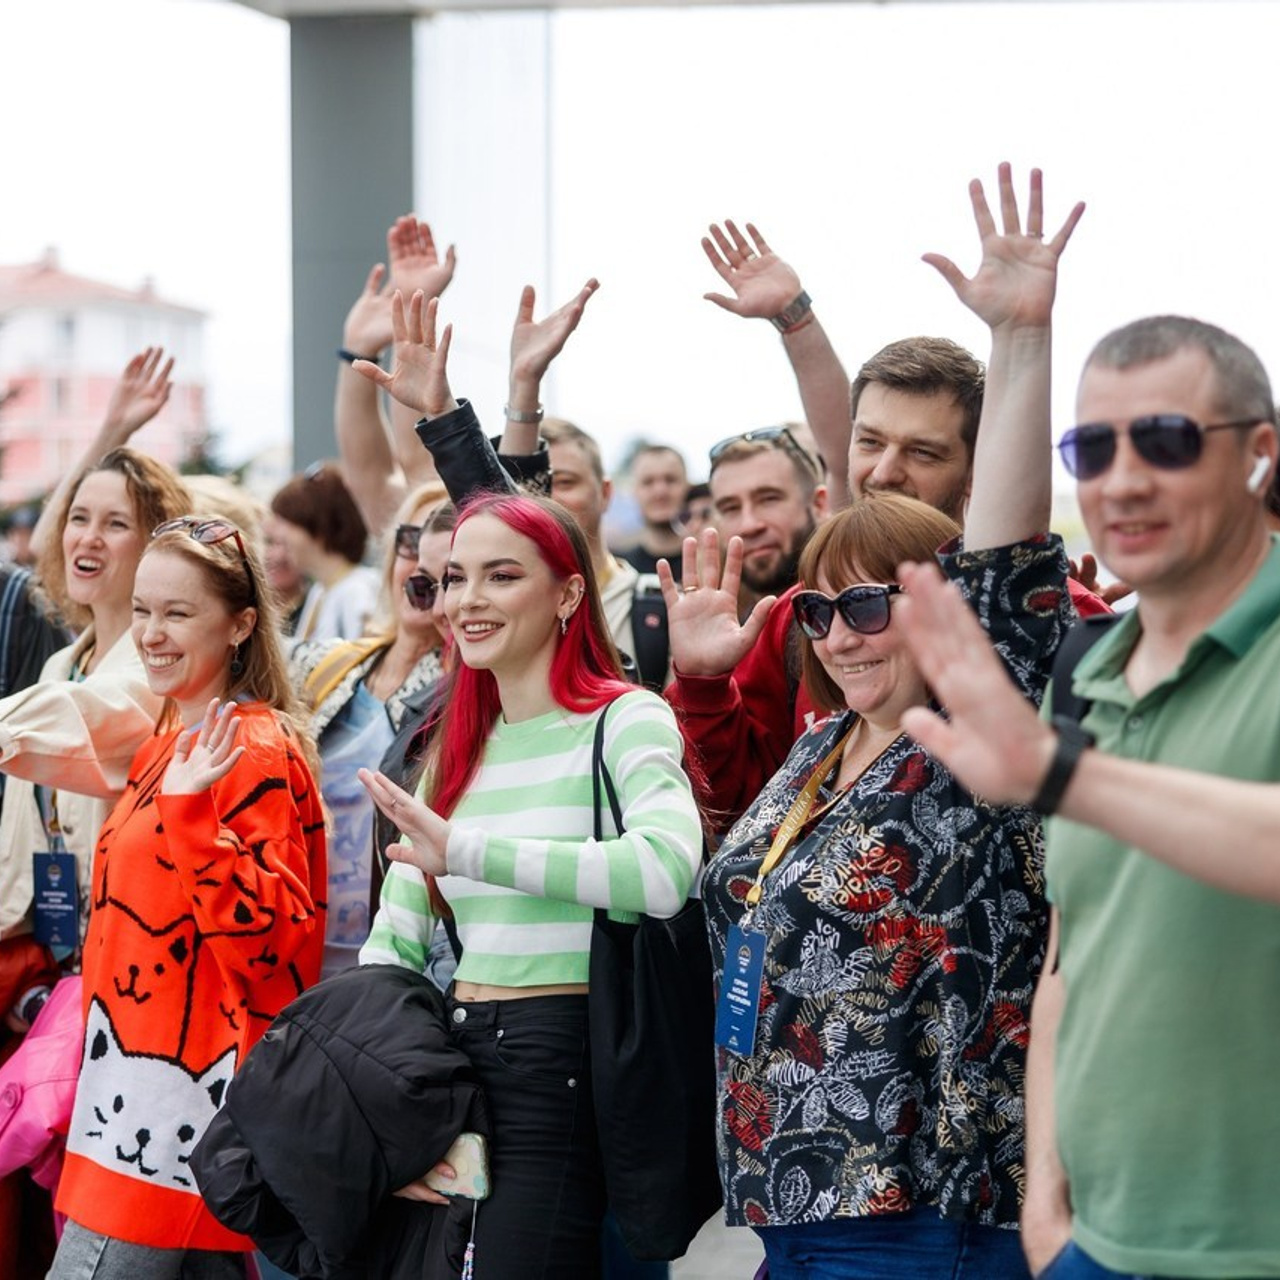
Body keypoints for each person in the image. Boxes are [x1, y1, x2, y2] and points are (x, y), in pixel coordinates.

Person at [694, 165, 1081, 1280]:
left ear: (940, 610)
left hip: (926, 1208)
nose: (839, 628)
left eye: (871, 605)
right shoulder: (820, 744)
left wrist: (1018, 338)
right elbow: (856, 494)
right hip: (790, 1206)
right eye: (819, 607)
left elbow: (999, 559)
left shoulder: (972, 716)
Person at [892, 315, 1280, 1280]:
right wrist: (1046, 1201)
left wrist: (1062, 774)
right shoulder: (1089, 670)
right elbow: (1070, 957)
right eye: (1092, 448)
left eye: (1168, 441)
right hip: (1093, 1245)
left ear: (1260, 455)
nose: (1124, 479)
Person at [671, 182, 1104, 830]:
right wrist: (703, 687)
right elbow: (734, 803)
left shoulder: (1034, 611)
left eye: (923, 454)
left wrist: (1021, 335)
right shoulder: (803, 617)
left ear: (974, 471)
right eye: (868, 442)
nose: (883, 472)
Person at [356, 490, 703, 1280]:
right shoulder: (453, 749)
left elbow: (664, 870)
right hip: (457, 1058)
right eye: (454, 578)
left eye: (501, 576)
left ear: (568, 594)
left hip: (564, 1053)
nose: (468, 601)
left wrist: (470, 850)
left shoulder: (626, 716)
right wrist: (380, 1091)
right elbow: (395, 944)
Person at [49, 514, 326, 1278]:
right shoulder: (173, 736)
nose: (151, 634)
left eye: (177, 613)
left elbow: (274, 946)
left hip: (173, 1125)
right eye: (141, 610)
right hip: (135, 1110)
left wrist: (194, 818)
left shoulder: (253, 747)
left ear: (240, 625)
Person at [0, 448, 190, 952]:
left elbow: (87, 717)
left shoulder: (162, 668)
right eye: (78, 518)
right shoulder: (59, 667)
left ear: (157, 549)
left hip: (125, 958)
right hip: (46, 956)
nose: (88, 537)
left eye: (115, 524)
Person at [291, 482, 449, 978]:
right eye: (410, 543)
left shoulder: (475, 695)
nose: (423, 565)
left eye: (447, 554)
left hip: (398, 968)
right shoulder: (329, 666)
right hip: (300, 959)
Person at [706, 425, 828, 607]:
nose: (749, 525)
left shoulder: (863, 620)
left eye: (768, 499)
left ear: (818, 505)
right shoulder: (723, 629)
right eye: (730, 508)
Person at [269, 461, 379, 647]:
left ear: (319, 527)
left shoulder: (358, 591)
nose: (281, 535)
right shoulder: (321, 589)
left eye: (289, 523)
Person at [615, 445, 688, 574]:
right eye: (648, 482)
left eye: (670, 480)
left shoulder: (712, 563)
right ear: (634, 492)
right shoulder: (620, 570)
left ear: (687, 487)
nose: (660, 491)